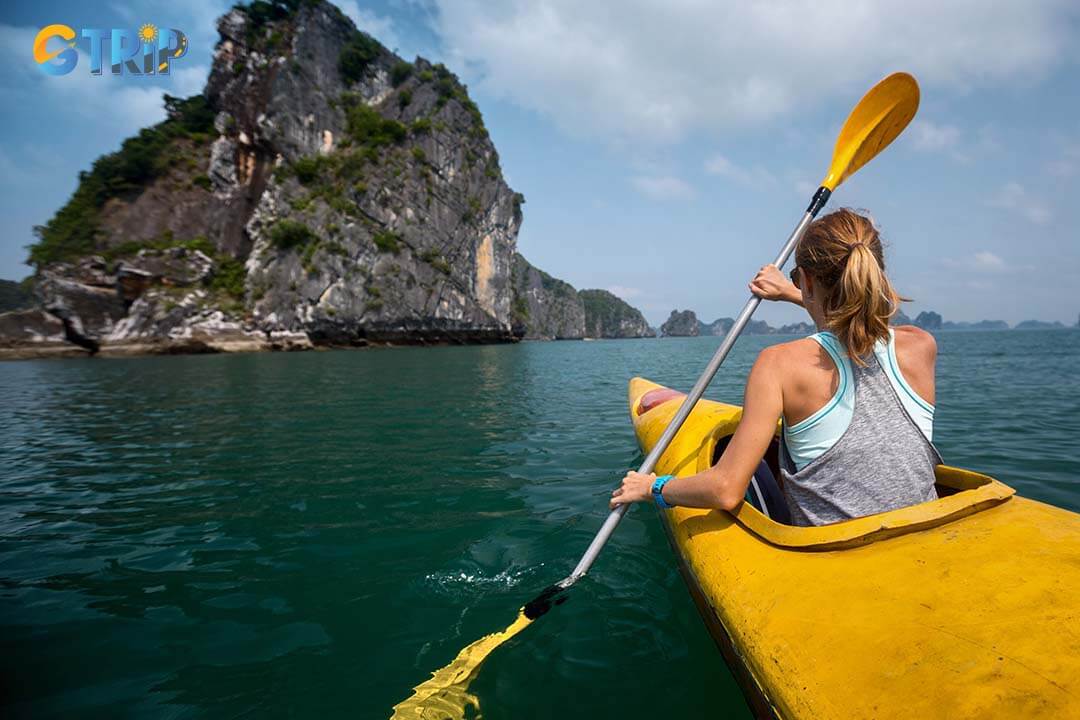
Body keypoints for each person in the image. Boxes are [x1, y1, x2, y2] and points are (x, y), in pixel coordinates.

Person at [610, 208, 941, 526]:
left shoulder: (778, 365)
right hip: (927, 538)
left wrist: (652, 488)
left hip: (839, 560)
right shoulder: (921, 346)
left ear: (808, 282)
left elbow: (725, 490)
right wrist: (795, 292)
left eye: (798, 278)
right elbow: (865, 323)